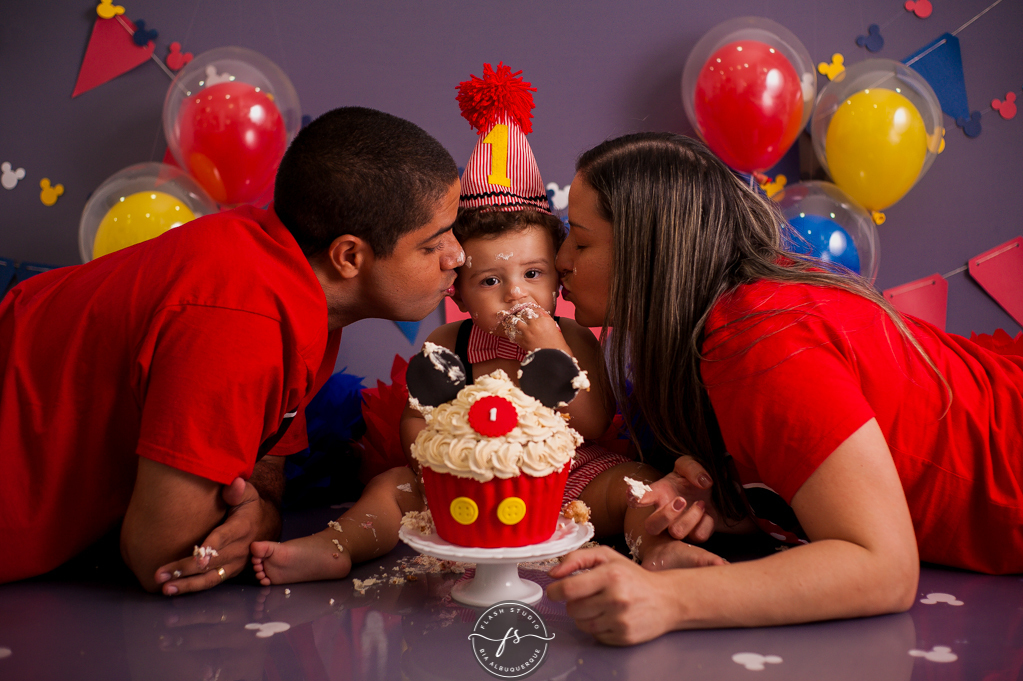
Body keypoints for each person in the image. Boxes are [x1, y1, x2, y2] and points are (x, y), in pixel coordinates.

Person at [249, 66, 722, 587]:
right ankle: (337, 545)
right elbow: (416, 421)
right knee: (390, 488)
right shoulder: (449, 343)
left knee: (636, 483)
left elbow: (589, 424)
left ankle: (654, 547)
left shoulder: (575, 338)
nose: (516, 292)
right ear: (458, 289)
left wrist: (551, 351)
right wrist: (436, 450)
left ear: (559, 274)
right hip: (465, 487)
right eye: (491, 279)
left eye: (534, 273)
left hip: (567, 482)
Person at [546, 132, 1023, 644]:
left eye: (581, 240)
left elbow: (884, 569)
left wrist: (665, 599)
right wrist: (731, 502)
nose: (561, 261)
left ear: (649, 249)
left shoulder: (760, 337)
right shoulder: (714, 333)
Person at [0, 107, 463, 595]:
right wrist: (255, 520)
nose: (459, 255)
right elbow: (165, 555)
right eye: (435, 244)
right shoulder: (243, 321)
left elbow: (266, 459)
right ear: (349, 257)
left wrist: (260, 506)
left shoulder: (293, 287)